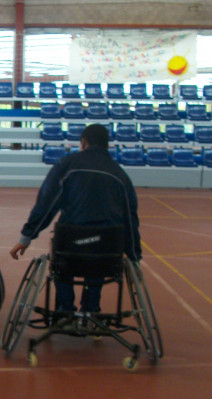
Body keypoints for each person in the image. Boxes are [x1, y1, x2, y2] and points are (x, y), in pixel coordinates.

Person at [10, 124, 141, 312]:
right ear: (107, 145)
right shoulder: (120, 175)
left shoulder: (67, 165)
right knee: (98, 256)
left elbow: (46, 204)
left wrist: (27, 237)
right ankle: (91, 309)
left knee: (63, 258)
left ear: (83, 143)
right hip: (106, 248)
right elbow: (130, 219)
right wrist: (134, 257)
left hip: (71, 244)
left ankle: (65, 308)